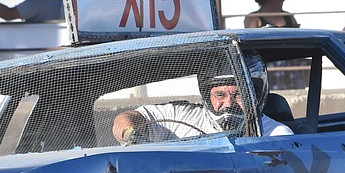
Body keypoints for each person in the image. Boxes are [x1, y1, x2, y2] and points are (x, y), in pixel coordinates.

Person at [112, 54, 293, 143]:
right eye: (220, 95)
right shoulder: (180, 116)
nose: (228, 104)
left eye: (238, 94)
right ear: (208, 96)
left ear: (256, 95)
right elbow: (125, 118)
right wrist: (131, 134)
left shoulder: (276, 134)